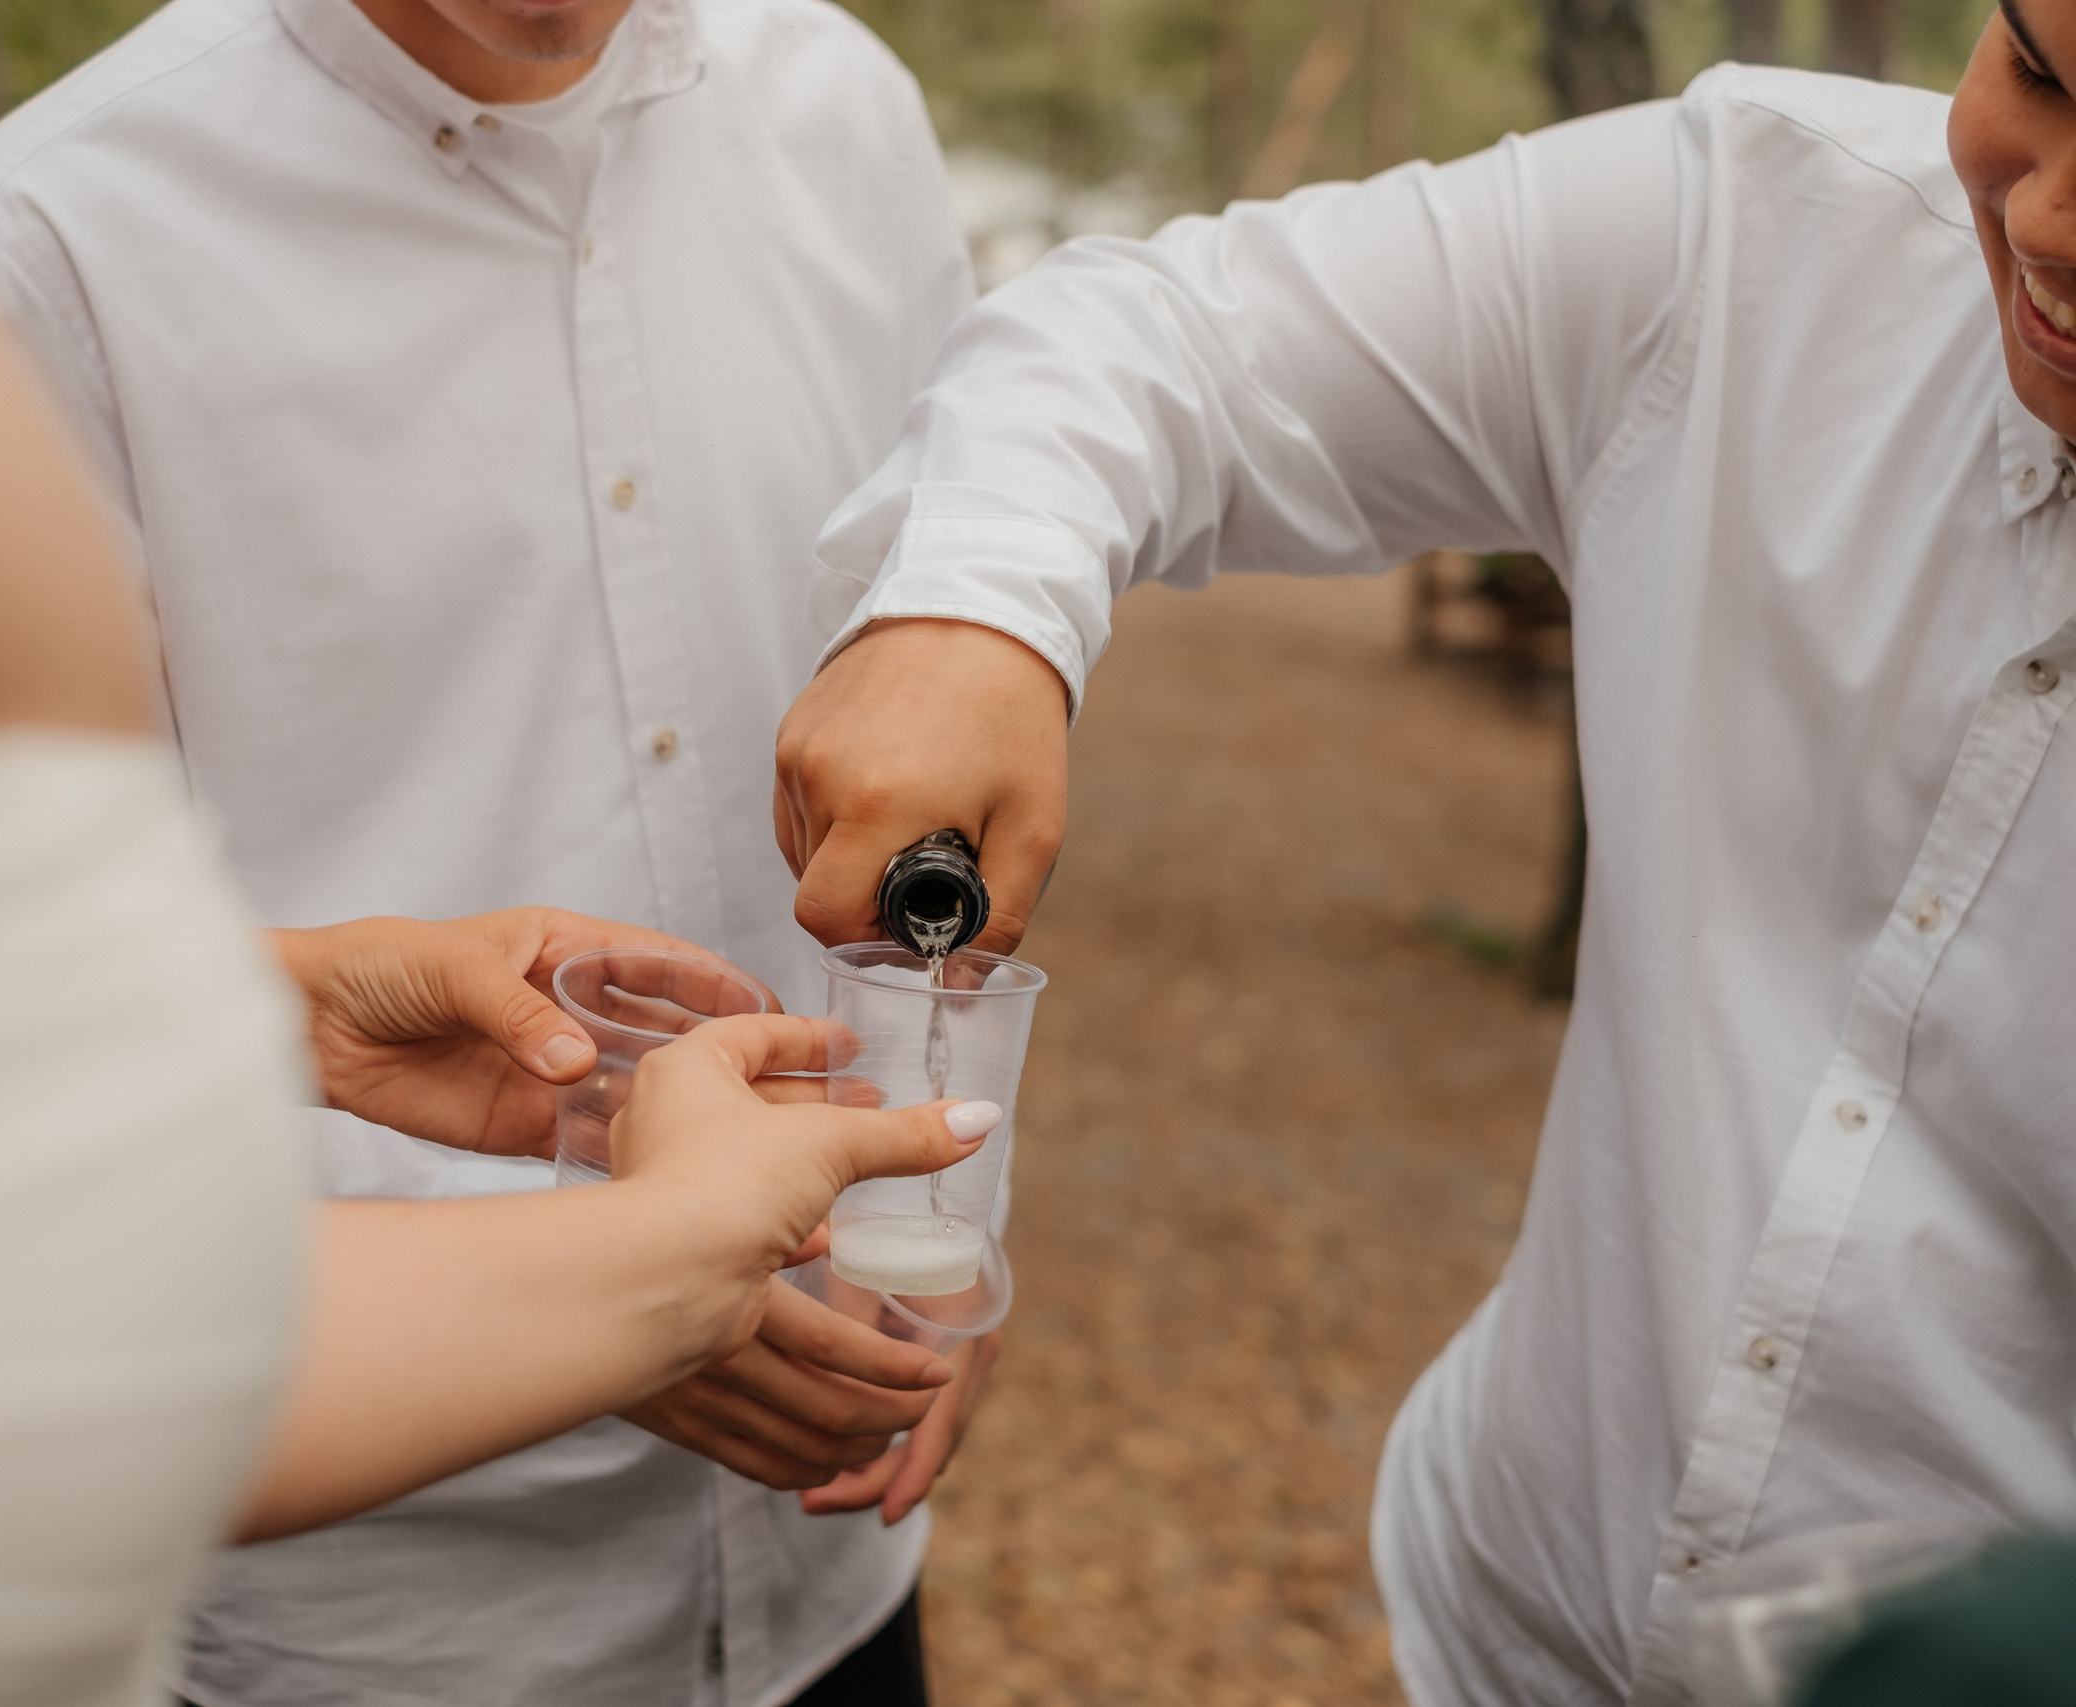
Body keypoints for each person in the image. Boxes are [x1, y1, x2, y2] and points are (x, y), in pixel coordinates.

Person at [0, 2, 993, 1702]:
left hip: (837, 1571)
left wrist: (955, 1206)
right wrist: (627, 1282)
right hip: (374, 1626)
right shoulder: (48, 237)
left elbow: (927, 742)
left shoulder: (851, 112)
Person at [772, 6, 2076, 1704]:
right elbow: (1164, 332)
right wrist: (978, 611)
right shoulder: (1763, 237)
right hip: (1499, 1634)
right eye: (2039, 74)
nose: (2045, 217)